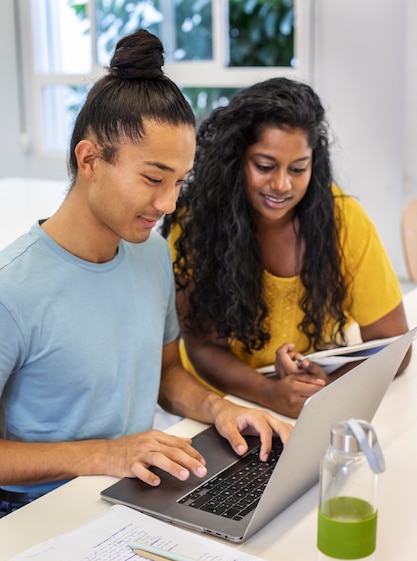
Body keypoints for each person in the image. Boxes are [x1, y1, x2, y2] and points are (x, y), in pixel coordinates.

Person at [0, 30, 292, 518]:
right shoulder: (12, 290)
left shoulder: (153, 254)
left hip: (134, 496)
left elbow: (168, 373)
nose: (168, 204)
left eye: (179, 182)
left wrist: (221, 408)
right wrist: (107, 453)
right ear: (89, 159)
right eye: (154, 179)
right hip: (40, 516)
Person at [161, 77, 411, 419]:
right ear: (237, 159)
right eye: (264, 166)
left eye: (298, 168)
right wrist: (269, 393)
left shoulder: (342, 220)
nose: (281, 184)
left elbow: (394, 348)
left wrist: (319, 387)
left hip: (302, 400)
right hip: (221, 406)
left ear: (314, 162)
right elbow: (202, 346)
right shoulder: (198, 222)